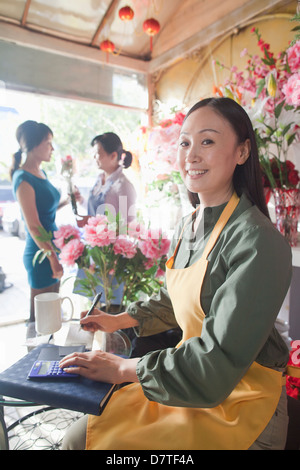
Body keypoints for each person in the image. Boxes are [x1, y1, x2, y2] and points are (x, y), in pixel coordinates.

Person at [60, 97, 292, 450]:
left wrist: (124, 369)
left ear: (242, 152)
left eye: (208, 141)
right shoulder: (190, 224)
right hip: (188, 377)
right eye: (184, 142)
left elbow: (218, 359)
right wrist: (116, 320)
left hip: (241, 399)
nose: (191, 155)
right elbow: (179, 298)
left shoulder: (260, 242)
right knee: (81, 434)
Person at [10, 120, 75, 335]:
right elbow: (34, 225)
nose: (52, 148)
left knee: (52, 316)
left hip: (50, 249)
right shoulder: (23, 178)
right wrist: (53, 259)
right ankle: (32, 364)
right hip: (40, 254)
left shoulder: (41, 173)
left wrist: (68, 200)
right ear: (34, 145)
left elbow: (45, 211)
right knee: (41, 320)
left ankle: (49, 364)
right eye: (48, 143)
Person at [75, 132, 137, 309]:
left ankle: (110, 338)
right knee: (92, 307)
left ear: (114, 156)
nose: (95, 158)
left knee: (108, 307)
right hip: (95, 250)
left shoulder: (123, 186)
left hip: (111, 256)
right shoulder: (100, 179)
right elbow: (96, 209)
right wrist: (80, 201)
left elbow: (128, 226)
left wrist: (95, 223)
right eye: (94, 153)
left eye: (98, 153)